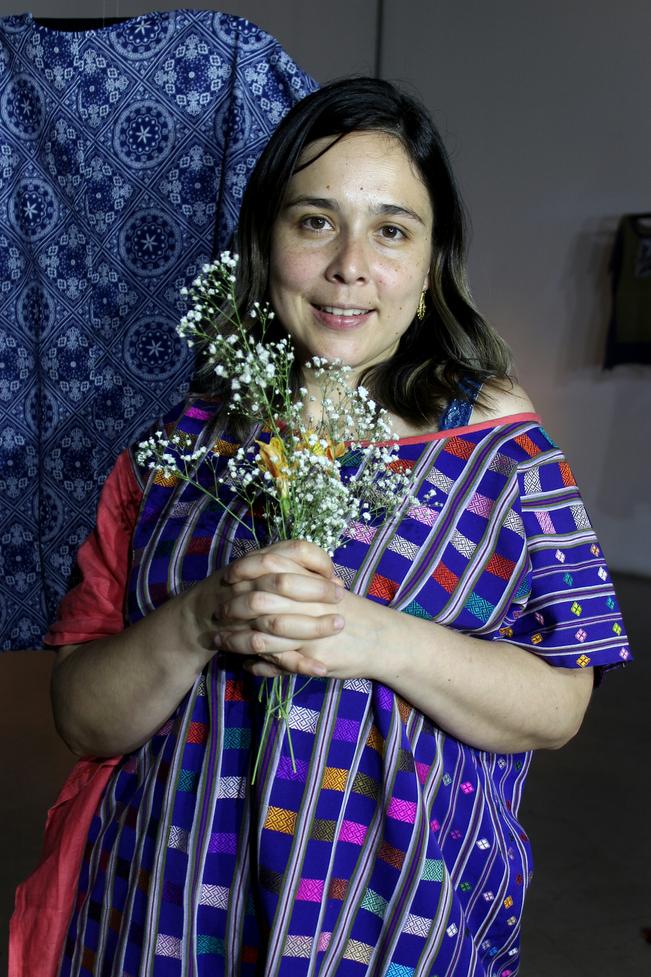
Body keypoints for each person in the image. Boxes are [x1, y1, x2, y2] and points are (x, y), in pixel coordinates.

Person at [39, 78, 628, 976]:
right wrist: (203, 618)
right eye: (314, 221)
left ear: (429, 267)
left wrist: (369, 635)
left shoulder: (498, 450)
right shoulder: (168, 459)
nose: (351, 264)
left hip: (395, 927)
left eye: (391, 230)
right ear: (263, 245)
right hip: (163, 918)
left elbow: (557, 707)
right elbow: (85, 719)